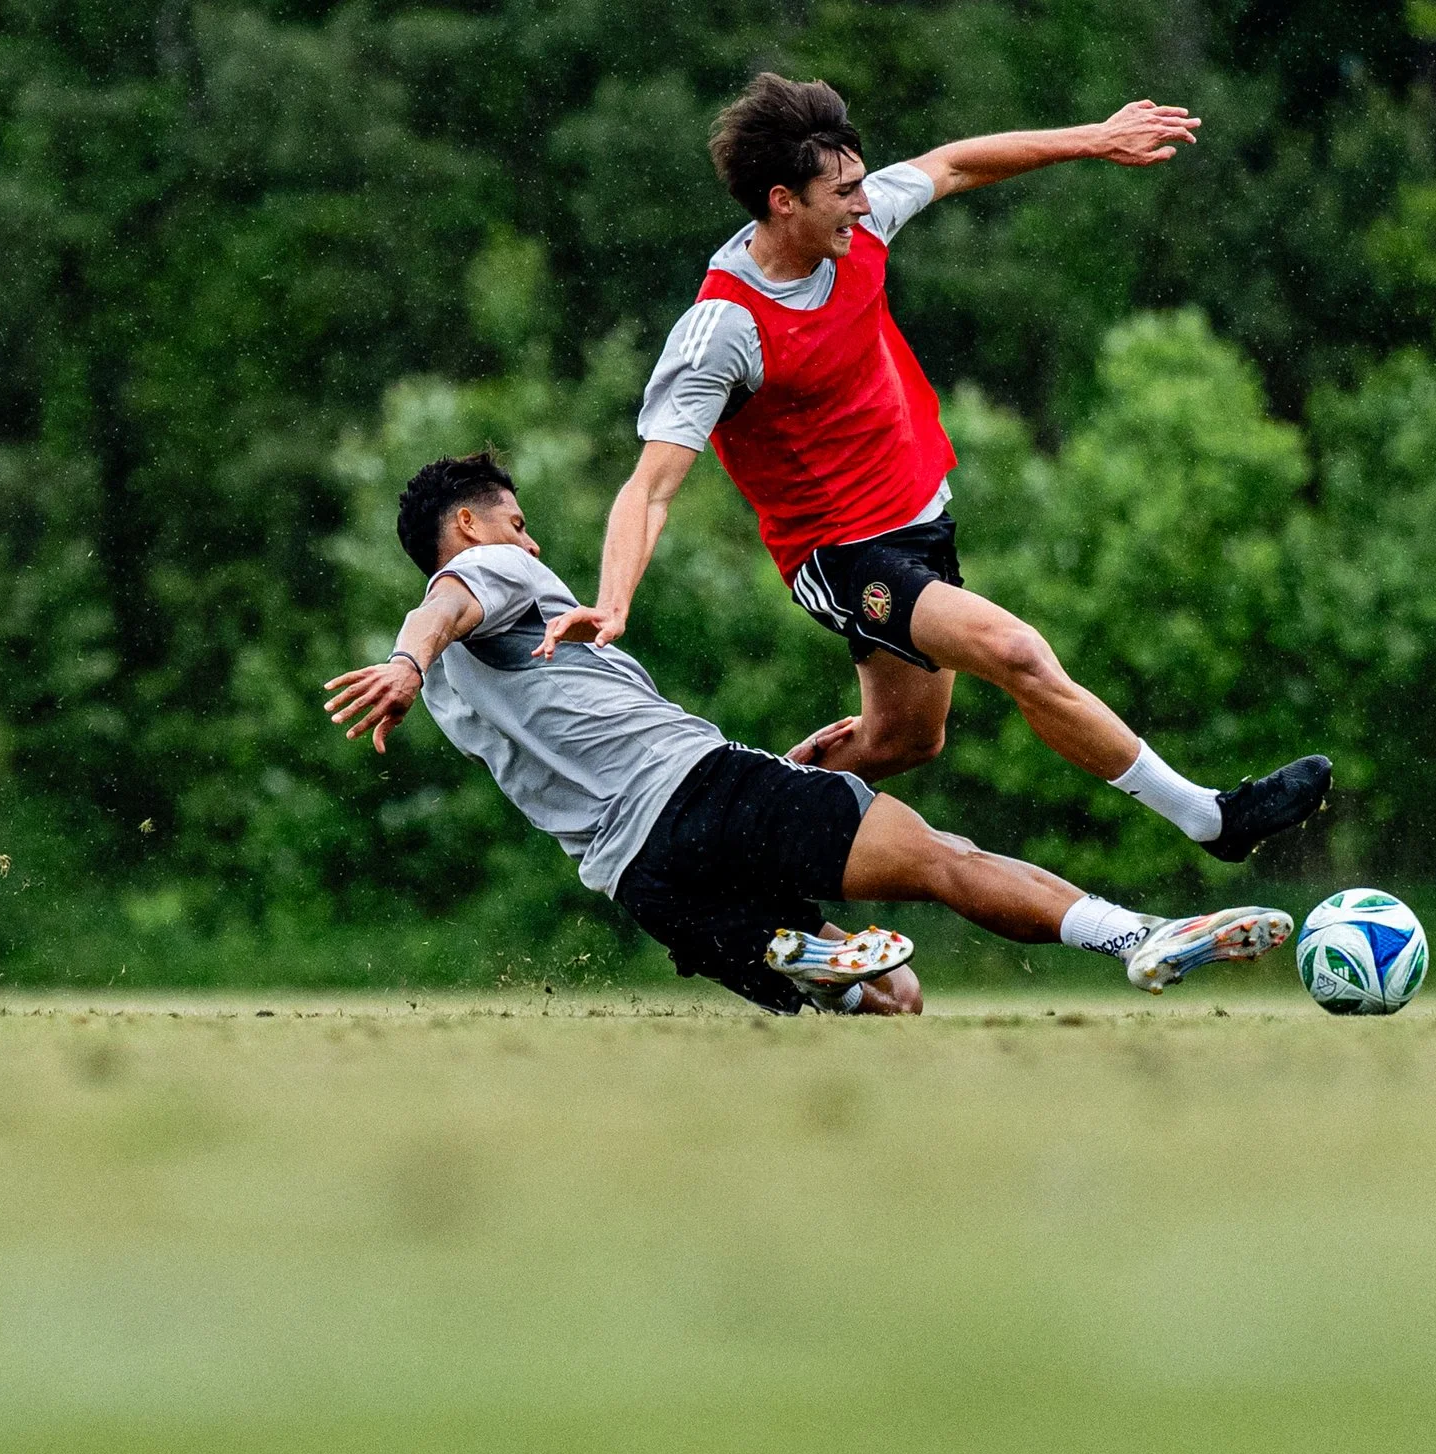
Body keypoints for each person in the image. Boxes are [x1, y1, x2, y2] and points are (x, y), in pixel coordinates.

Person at [534, 73, 1329, 865]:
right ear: (783, 201)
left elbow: (954, 164)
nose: (862, 201)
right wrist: (612, 601)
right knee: (1017, 652)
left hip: (920, 520)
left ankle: (716, 846)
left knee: (902, 741)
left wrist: (1094, 138)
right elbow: (651, 486)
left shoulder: (861, 223)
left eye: (859, 183)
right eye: (841, 191)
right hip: (839, 554)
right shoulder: (723, 329)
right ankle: (1211, 818)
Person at [326, 454, 1292, 1015]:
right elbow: (449, 601)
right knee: (942, 860)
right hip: (697, 789)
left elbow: (472, 655)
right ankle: (1140, 936)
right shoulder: (493, 576)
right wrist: (406, 660)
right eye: (520, 523)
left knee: (896, 995)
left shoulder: (455, 692)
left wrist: (416, 671)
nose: (533, 544)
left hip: (641, 876)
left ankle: (801, 950)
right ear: (472, 522)